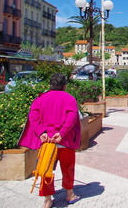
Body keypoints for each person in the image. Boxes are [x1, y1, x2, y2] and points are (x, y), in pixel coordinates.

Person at [18, 73, 81, 208]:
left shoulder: (40, 99)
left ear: (51, 85)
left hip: (47, 142)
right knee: (68, 169)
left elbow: (33, 116)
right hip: (65, 142)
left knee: (46, 169)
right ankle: (70, 194)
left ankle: (47, 200)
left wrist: (41, 132)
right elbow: (71, 118)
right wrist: (62, 134)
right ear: (64, 85)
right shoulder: (70, 99)